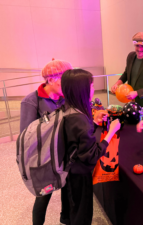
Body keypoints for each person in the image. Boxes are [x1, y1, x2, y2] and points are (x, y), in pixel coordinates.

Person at [59, 69, 121, 225]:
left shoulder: (65, 108)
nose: (93, 88)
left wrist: (93, 122)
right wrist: (111, 132)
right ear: (83, 90)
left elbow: (76, 138)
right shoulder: (80, 119)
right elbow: (93, 154)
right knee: (82, 211)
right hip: (79, 174)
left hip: (66, 168)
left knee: (70, 203)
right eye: (91, 85)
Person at [20, 59, 73, 225]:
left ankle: (66, 219)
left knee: (68, 191)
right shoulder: (31, 101)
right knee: (43, 196)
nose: (68, 84)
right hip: (45, 160)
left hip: (65, 154)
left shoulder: (66, 97)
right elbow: (26, 136)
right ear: (51, 79)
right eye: (65, 79)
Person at [111, 32, 143, 118]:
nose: (139, 49)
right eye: (137, 46)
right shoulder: (130, 56)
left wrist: (137, 93)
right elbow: (126, 73)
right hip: (130, 100)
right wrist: (117, 83)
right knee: (130, 126)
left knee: (142, 128)